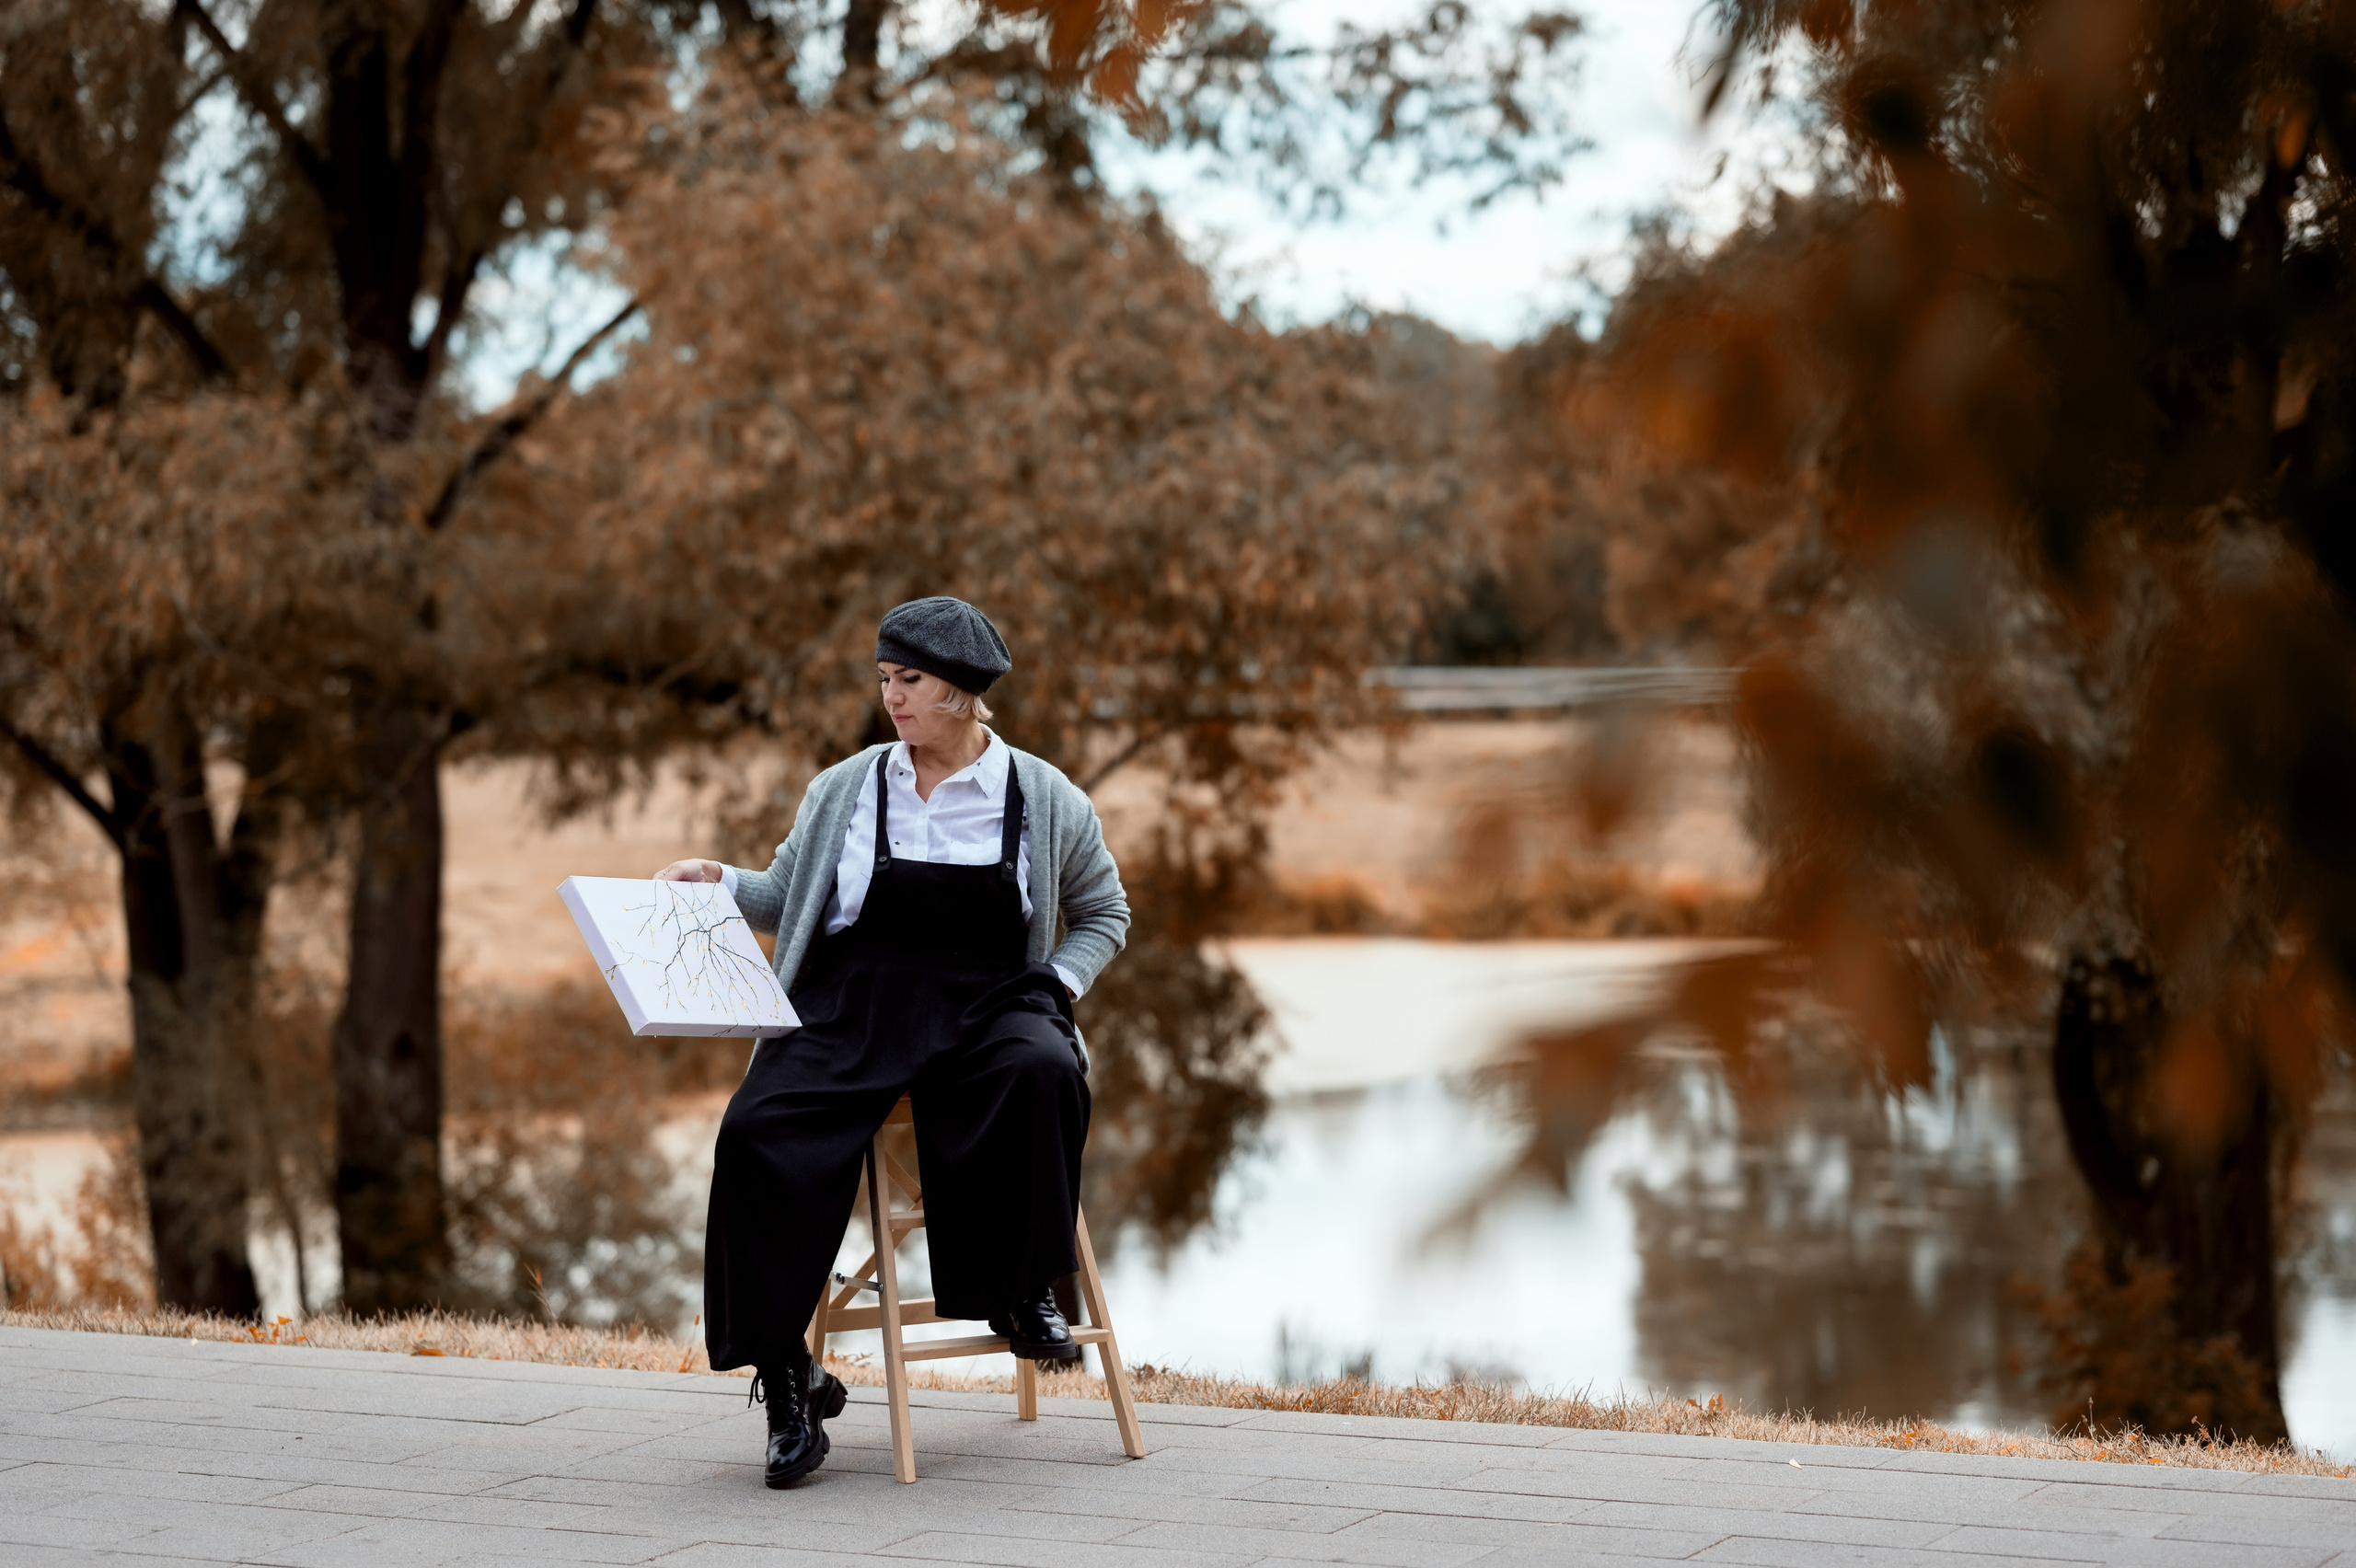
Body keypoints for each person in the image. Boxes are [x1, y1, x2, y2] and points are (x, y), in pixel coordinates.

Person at [654, 595, 1129, 1488]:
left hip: (992, 1001)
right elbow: (784, 897)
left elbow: (1105, 913)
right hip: (852, 1002)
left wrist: (1056, 987)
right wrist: (715, 879)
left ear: (959, 690)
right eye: (885, 680)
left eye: (907, 681)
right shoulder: (844, 788)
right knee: (756, 1130)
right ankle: (786, 1377)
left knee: (1042, 1066)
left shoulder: (1045, 797)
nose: (892, 698)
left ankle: (1024, 1292)